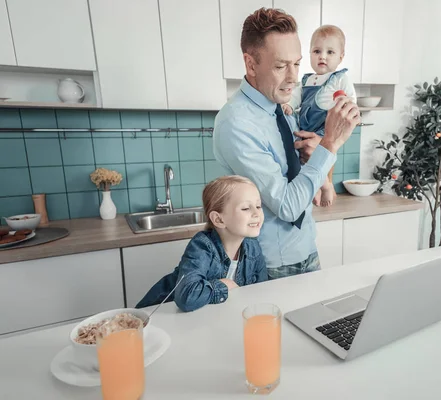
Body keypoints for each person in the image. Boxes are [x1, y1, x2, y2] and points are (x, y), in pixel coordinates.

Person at [212, 8, 360, 280]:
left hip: (306, 250)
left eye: (297, 63)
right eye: (281, 66)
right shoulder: (237, 123)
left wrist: (319, 154)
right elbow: (288, 207)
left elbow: (306, 175)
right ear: (251, 64)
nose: (293, 77)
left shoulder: (283, 108)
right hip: (269, 265)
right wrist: (329, 145)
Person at [135, 176, 267, 312]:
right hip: (155, 317)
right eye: (245, 208)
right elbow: (186, 297)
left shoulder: (253, 247)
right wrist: (224, 285)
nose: (257, 213)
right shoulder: (202, 246)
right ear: (219, 219)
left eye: (258, 206)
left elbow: (260, 290)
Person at [282, 25, 357, 207]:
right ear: (309, 54)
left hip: (326, 126)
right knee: (305, 160)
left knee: (321, 159)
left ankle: (326, 186)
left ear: (341, 57)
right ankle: (314, 188)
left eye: (330, 52)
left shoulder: (340, 78)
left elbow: (351, 101)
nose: (322, 56)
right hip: (306, 125)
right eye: (317, 51)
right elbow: (297, 96)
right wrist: (289, 105)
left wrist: (345, 105)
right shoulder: (308, 79)